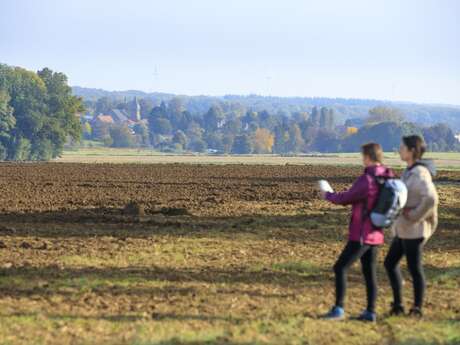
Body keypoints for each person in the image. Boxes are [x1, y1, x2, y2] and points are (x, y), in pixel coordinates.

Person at [320, 142, 395, 322]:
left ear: (368, 157)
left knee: (340, 267)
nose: (362, 160)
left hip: (361, 234)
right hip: (377, 233)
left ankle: (338, 309)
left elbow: (346, 198)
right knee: (369, 272)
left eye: (363, 156)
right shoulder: (388, 177)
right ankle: (370, 312)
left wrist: (328, 194)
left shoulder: (367, 179)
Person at [384, 135, 438, 317]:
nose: (399, 150)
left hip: (414, 230)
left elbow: (431, 198)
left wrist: (414, 216)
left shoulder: (420, 173)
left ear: (412, 151)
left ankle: (416, 309)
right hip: (404, 230)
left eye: (402, 147)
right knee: (390, 263)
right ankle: (398, 306)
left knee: (414, 269)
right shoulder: (410, 170)